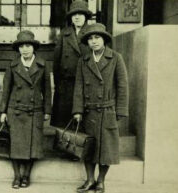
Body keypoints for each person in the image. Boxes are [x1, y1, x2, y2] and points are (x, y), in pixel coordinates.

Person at [72, 23, 129, 193]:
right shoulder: (83, 60)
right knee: (88, 148)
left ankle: (101, 181)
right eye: (90, 39)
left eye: (97, 37)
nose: (93, 41)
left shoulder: (116, 58)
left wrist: (120, 110)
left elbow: (122, 86)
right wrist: (77, 110)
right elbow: (79, 86)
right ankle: (89, 180)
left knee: (106, 150)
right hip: (88, 112)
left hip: (107, 111)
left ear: (104, 39)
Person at [0, 30, 52, 189]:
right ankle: (16, 176)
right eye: (21, 46)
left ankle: (26, 176)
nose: (25, 49)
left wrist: (47, 111)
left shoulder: (43, 65)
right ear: (18, 49)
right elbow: (6, 90)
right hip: (15, 110)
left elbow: (47, 91)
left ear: (34, 47)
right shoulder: (13, 65)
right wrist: (3, 111)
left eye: (28, 45)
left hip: (35, 110)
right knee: (15, 145)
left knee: (32, 146)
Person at [51, 0, 93, 128]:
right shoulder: (65, 33)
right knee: (65, 121)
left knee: (84, 121)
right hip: (66, 84)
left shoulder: (93, 33)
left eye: (80, 14)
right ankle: (65, 147)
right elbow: (57, 61)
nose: (77, 17)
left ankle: (82, 146)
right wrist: (58, 84)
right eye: (74, 14)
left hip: (87, 83)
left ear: (86, 16)